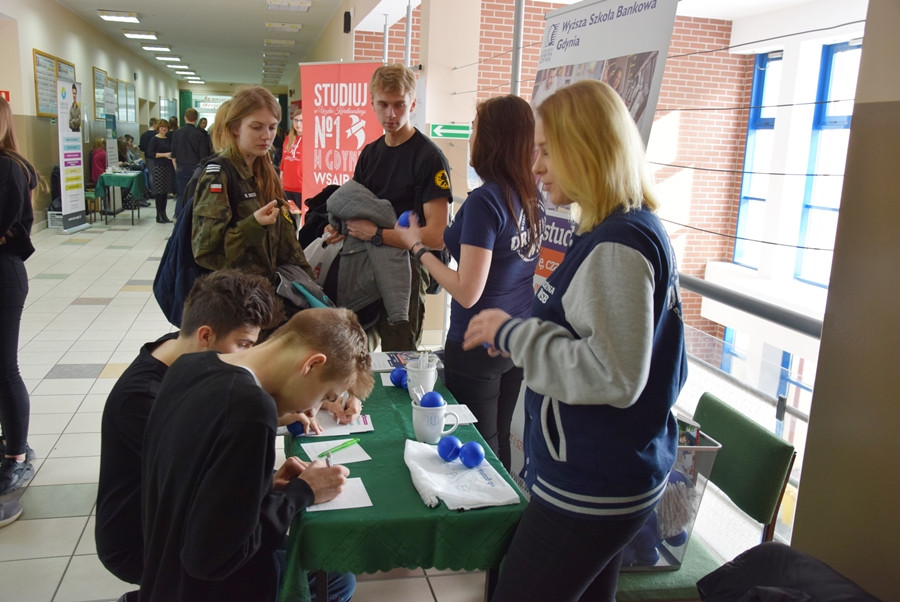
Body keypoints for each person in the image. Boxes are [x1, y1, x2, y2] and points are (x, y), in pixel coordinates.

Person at [462, 80, 687, 601]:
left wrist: (514, 332)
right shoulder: (628, 228)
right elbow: (603, 341)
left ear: (585, 149)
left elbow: (614, 375)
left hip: (593, 483)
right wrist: (522, 337)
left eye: (545, 150)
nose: (536, 166)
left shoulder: (618, 246)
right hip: (616, 474)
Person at [139, 307, 374, 602]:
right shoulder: (252, 411)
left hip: (162, 571)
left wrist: (262, 487)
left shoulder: (191, 366)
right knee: (335, 578)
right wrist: (303, 492)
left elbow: (196, 480)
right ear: (312, 364)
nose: (314, 409)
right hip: (212, 589)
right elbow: (216, 558)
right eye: (326, 395)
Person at [96, 269, 283, 587]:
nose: (249, 357)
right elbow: (206, 488)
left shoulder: (178, 348)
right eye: (242, 344)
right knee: (320, 576)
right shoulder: (143, 399)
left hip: (174, 516)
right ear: (206, 335)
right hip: (140, 541)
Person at [395, 94, 543, 470]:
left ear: (492, 139)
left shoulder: (485, 202)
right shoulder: (530, 196)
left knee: (478, 448)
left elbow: (466, 289)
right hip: (515, 340)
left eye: (476, 128)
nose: (472, 135)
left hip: (477, 344)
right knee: (498, 445)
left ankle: (483, 522)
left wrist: (416, 248)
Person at [326, 63, 452, 351]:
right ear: (372, 103)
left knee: (401, 359)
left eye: (399, 105)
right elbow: (354, 209)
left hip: (406, 270)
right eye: (383, 105)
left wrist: (377, 234)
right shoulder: (370, 154)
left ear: (413, 104)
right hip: (362, 264)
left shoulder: (429, 157)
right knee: (353, 355)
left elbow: (436, 236)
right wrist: (339, 227)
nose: (391, 114)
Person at [192, 86, 311, 282]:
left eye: (272, 127)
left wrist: (309, 285)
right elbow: (207, 253)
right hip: (235, 297)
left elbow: (286, 243)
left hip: (268, 292)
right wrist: (252, 225)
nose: (266, 136)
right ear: (235, 128)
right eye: (256, 127)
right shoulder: (219, 175)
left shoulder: (267, 172)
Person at [0, 97, 41, 496]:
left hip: (5, 274)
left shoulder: (10, 167)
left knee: (4, 368)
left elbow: (11, 228)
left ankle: (16, 454)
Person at [170, 107, 211, 218]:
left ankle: (178, 216)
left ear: (184, 118)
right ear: (196, 119)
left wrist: (176, 168)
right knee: (194, 194)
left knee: (181, 194)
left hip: (180, 167)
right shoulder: (200, 135)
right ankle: (191, 217)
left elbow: (173, 154)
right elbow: (203, 156)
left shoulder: (177, 133)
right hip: (195, 168)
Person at [146, 120, 175, 223]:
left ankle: (164, 213)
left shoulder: (168, 139)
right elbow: (150, 153)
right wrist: (164, 155)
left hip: (167, 166)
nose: (164, 129)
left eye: (166, 127)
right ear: (158, 128)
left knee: (165, 192)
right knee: (159, 192)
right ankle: (158, 215)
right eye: (162, 127)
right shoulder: (155, 139)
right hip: (158, 167)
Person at [280, 109, 303, 219]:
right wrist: (280, 183)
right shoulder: (288, 139)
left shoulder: (310, 140)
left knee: (301, 220)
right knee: (289, 220)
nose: (298, 124)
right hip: (287, 187)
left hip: (301, 188)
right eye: (296, 120)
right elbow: (283, 164)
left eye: (302, 121)